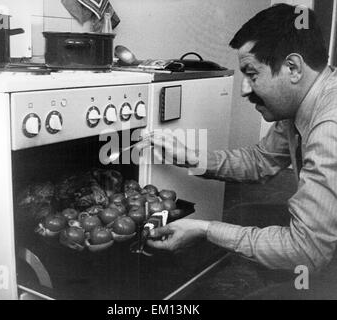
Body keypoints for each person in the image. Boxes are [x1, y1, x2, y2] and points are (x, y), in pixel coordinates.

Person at [142, 4, 337, 299]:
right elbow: (261, 160)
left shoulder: (330, 125)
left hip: (317, 252)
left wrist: (205, 228)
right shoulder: (302, 105)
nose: (245, 90)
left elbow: (306, 251)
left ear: (293, 68)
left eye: (252, 74)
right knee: (246, 215)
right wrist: (194, 159)